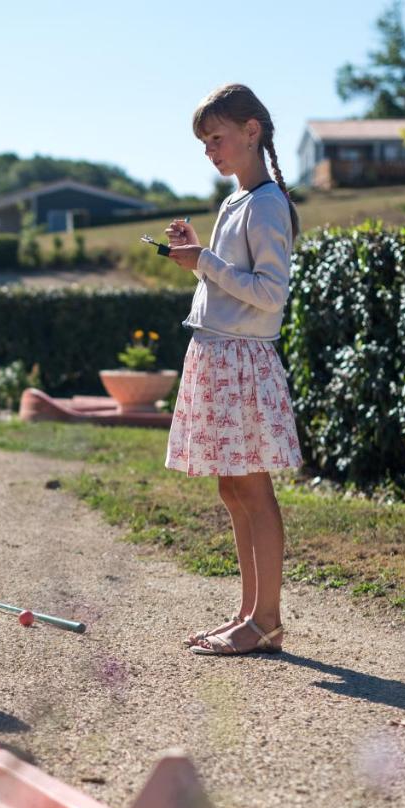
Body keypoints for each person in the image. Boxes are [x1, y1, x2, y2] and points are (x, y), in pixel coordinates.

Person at [163, 83, 303, 656]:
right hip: (218, 356)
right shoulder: (235, 202)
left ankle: (266, 619)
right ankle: (249, 613)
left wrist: (207, 263)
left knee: (253, 489)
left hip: (242, 363)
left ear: (252, 132)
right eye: (204, 142)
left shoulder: (268, 203)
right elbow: (227, 284)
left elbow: (270, 295)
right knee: (231, 487)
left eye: (216, 138)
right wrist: (198, 257)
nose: (209, 151)